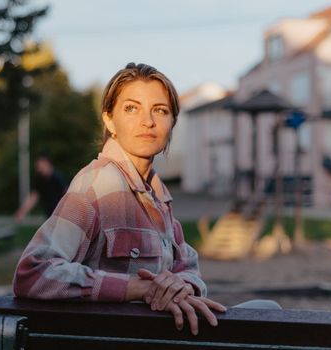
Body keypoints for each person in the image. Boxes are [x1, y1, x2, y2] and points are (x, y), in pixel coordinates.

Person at [13, 62, 227, 335]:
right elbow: (34, 273)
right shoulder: (99, 183)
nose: (147, 121)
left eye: (159, 110)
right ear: (109, 120)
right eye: (131, 108)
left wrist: (182, 285)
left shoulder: (158, 195)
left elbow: (187, 265)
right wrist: (138, 288)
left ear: (172, 122)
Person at [15, 155, 68, 220]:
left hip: (62, 215)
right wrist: (22, 211)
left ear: (47, 164)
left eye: (41, 167)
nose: (39, 170)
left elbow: (67, 194)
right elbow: (34, 197)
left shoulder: (57, 177)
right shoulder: (40, 179)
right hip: (50, 215)